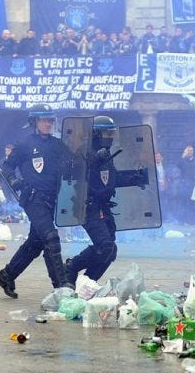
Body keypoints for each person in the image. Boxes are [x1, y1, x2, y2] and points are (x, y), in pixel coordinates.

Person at [0, 104, 73, 299]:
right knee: (51, 238)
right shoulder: (25, 144)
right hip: (33, 198)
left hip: (51, 199)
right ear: (35, 122)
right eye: (44, 120)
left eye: (50, 120)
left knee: (35, 243)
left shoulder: (58, 145)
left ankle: (7, 276)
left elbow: (73, 164)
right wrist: (15, 181)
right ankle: (61, 286)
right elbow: (6, 167)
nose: (48, 123)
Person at [65, 116, 120, 283]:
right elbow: (73, 174)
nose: (109, 136)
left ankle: (87, 283)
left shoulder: (106, 153)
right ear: (95, 133)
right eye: (106, 132)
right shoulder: (84, 151)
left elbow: (109, 179)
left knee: (110, 250)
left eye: (111, 133)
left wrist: (136, 177)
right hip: (87, 206)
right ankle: (72, 267)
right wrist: (94, 160)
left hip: (103, 206)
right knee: (106, 246)